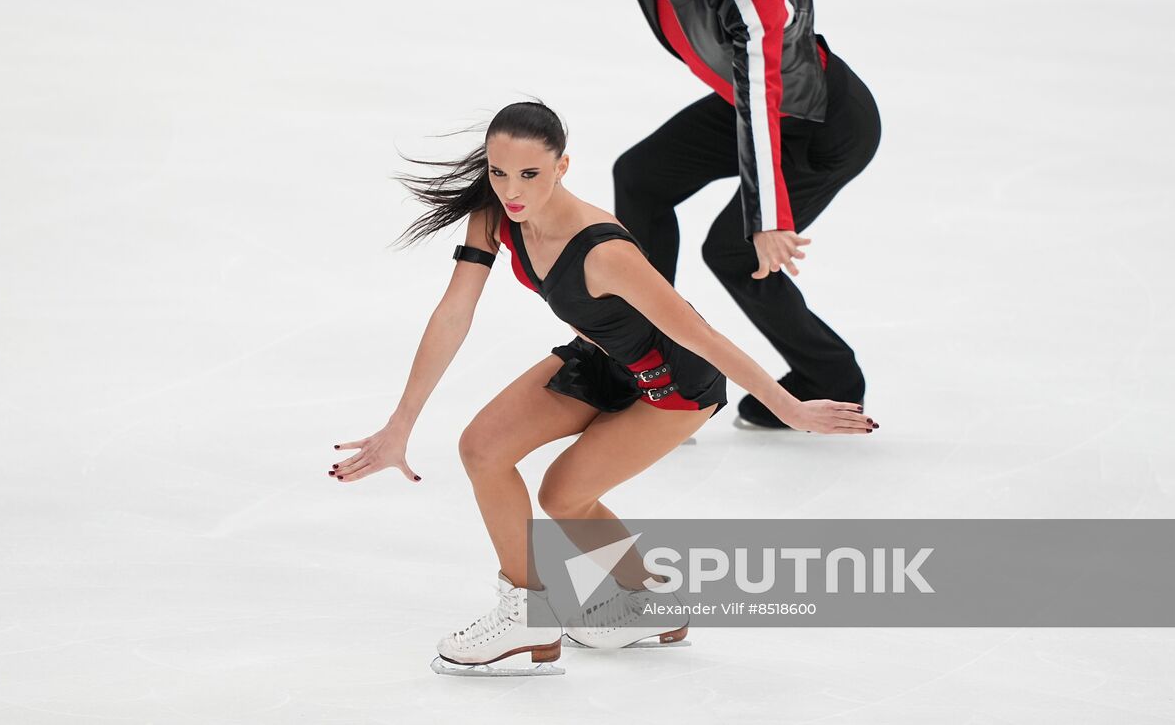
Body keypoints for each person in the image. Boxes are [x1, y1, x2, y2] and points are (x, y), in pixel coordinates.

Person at [329, 101, 878, 676]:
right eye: (498, 172)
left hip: (676, 385)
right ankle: (544, 612)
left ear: (562, 166)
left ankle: (631, 600)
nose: (511, 190)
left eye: (529, 174)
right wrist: (401, 424)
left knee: (562, 495)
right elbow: (453, 314)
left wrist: (788, 407)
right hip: (605, 359)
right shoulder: (495, 214)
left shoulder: (604, 252)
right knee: (483, 448)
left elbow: (701, 337)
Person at [536, 0, 883, 428]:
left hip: (821, 125)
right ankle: (648, 359)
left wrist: (766, 218)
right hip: (753, 106)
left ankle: (832, 378)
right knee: (640, 177)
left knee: (733, 250)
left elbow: (758, 105)